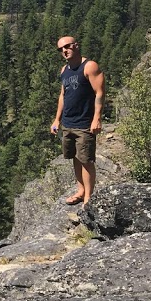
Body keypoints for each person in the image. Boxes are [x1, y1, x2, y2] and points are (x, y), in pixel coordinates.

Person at [50, 36, 105, 207]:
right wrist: (57, 119)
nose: (64, 51)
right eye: (60, 49)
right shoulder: (64, 70)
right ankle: (81, 191)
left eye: (66, 47)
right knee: (75, 157)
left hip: (84, 123)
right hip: (68, 123)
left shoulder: (89, 66)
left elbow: (100, 93)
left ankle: (89, 197)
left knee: (86, 160)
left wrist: (97, 118)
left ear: (76, 45)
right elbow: (63, 95)